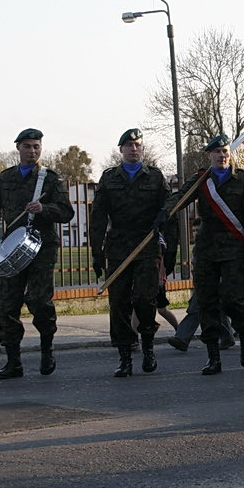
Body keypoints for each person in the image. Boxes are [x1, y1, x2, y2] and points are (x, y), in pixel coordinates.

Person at [157, 134, 244, 375]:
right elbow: (181, 196)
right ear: (209, 155)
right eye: (217, 152)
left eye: (225, 151)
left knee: (232, 300)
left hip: (234, 250)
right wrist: (166, 211)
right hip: (206, 249)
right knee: (206, 302)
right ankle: (213, 356)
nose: (221, 156)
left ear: (230, 153)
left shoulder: (243, 180)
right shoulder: (202, 180)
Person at [0, 128, 75, 379]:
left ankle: (47, 351)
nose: (32, 151)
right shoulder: (6, 178)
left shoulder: (50, 179)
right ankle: (14, 362)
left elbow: (67, 212)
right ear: (18, 148)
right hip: (12, 248)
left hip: (42, 247)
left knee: (38, 300)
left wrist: (44, 208)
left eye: (36, 146)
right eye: (27, 146)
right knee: (6, 304)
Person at [90, 128, 170, 377]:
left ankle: (148, 347)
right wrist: (96, 252)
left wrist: (163, 219)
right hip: (118, 248)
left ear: (142, 149)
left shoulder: (155, 177)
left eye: (137, 145)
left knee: (145, 300)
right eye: (129, 146)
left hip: (146, 246)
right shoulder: (109, 178)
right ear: (121, 150)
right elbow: (98, 217)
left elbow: (169, 208)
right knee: (119, 303)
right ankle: (125, 356)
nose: (133, 149)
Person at [167, 217, 236, 352]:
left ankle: (182, 338)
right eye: (193, 231)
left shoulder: (212, 243)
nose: (195, 233)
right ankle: (227, 336)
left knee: (196, 309)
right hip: (203, 281)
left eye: (198, 230)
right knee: (217, 311)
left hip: (214, 281)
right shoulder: (198, 247)